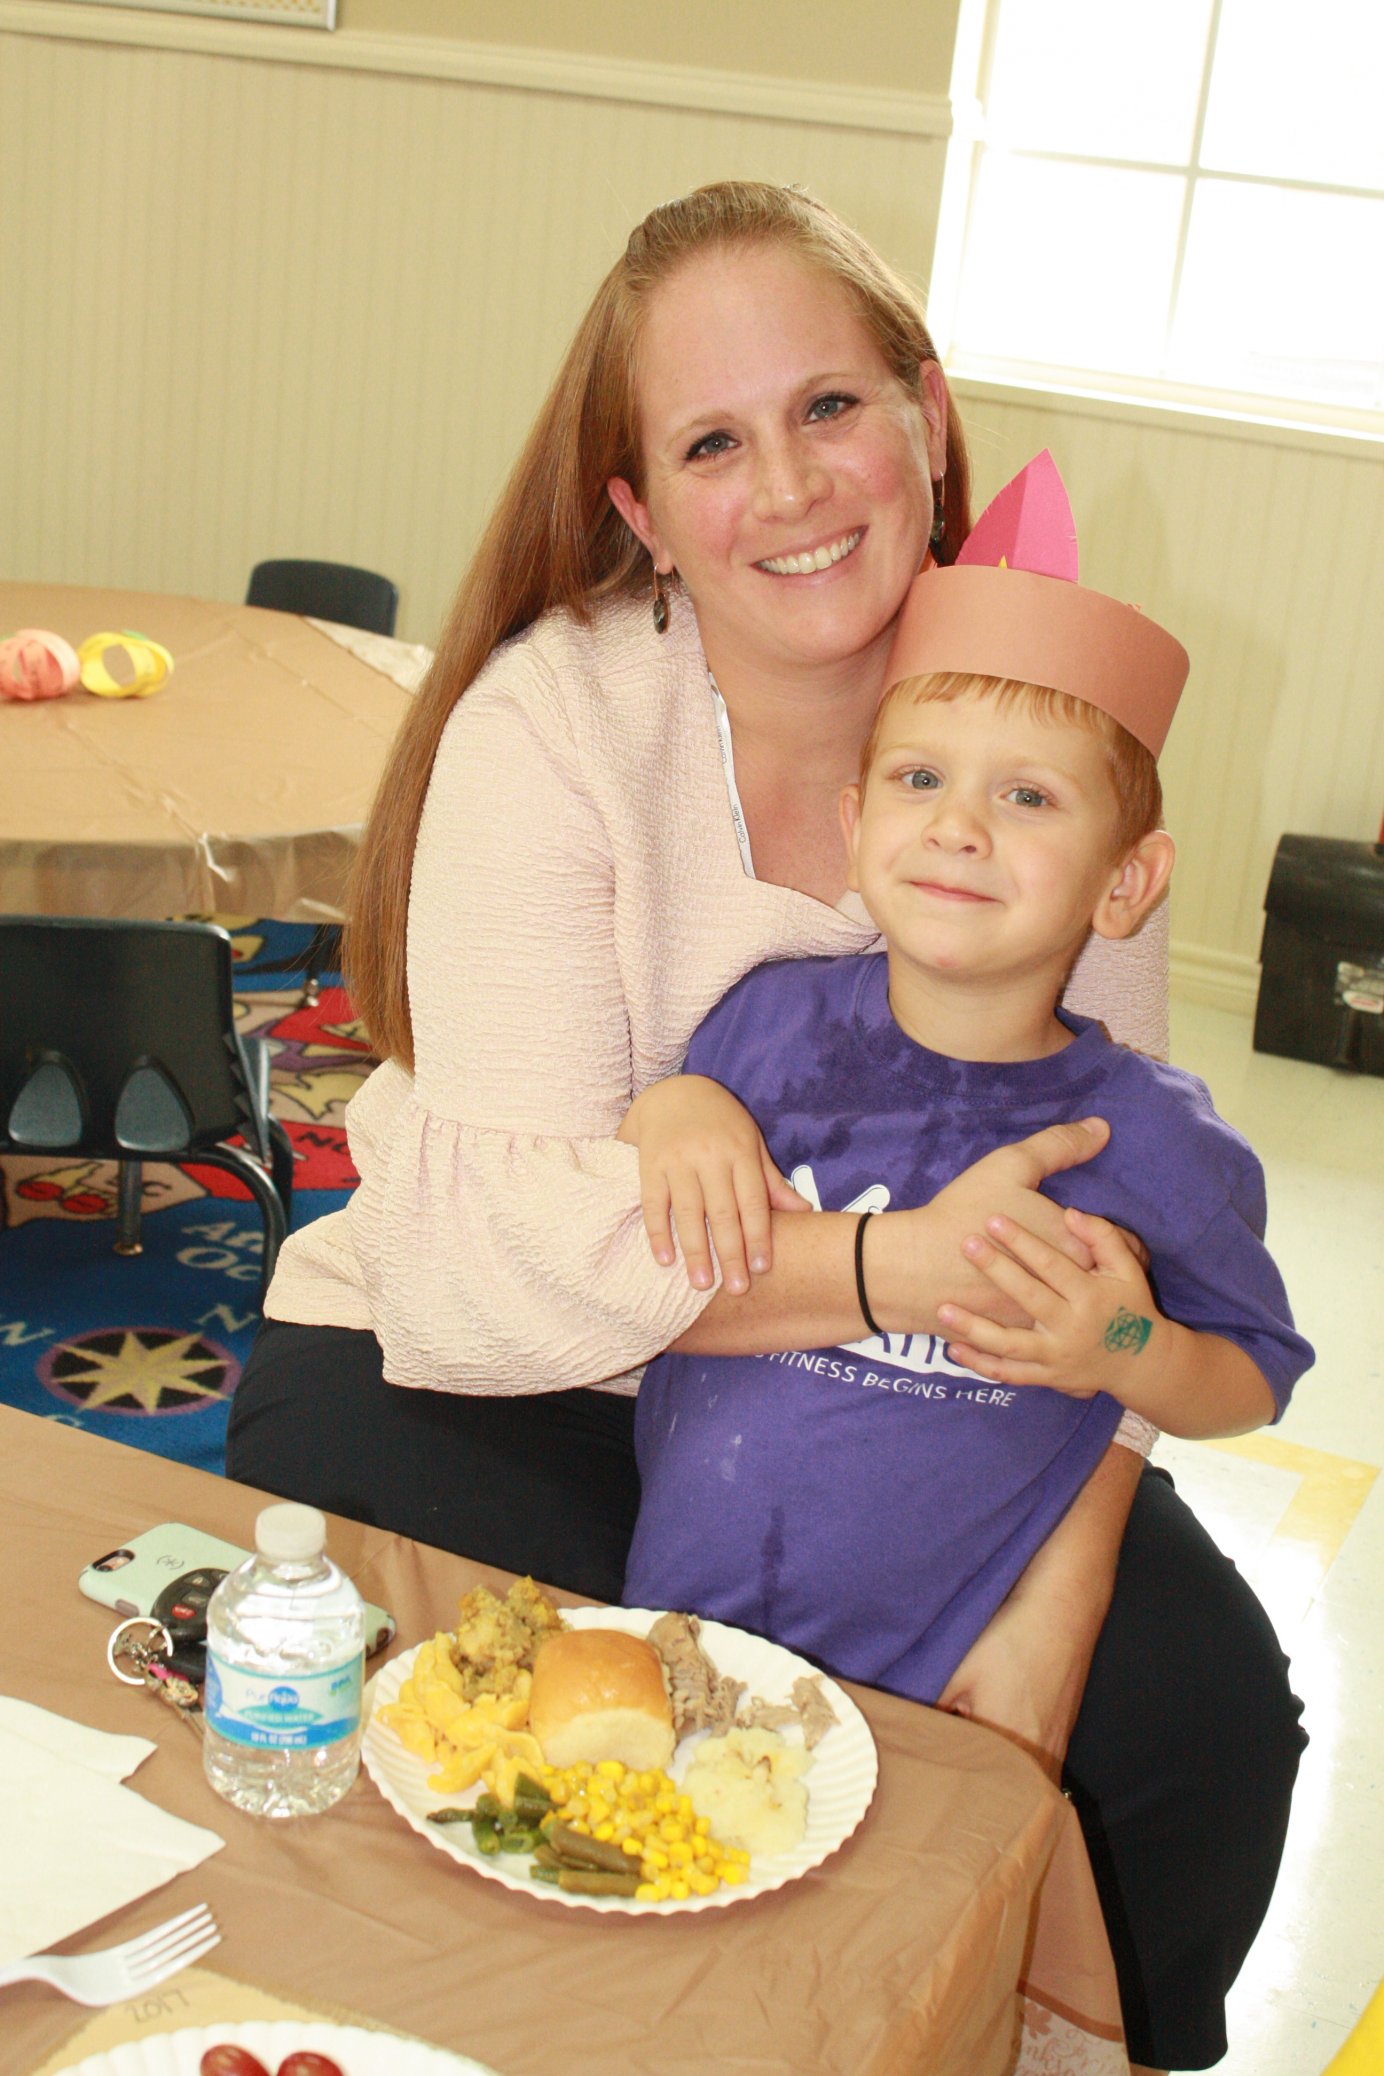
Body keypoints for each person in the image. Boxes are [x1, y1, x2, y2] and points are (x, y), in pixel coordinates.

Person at [227, 182, 1305, 2071]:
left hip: (898, 1387)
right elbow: (503, 1267)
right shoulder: (555, 724)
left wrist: (1055, 1602)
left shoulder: (1038, 711)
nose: (791, 487)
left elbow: (1107, 1218)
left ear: (925, 415)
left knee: (1194, 1719)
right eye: (713, 443)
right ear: (639, 507)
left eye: (828, 408)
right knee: (557, 1710)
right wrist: (893, 1260)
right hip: (493, 1369)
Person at [622, 459, 1312, 2072]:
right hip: (680, 1628)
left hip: (934, 1700)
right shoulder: (764, 1029)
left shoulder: (1149, 1143)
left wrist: (1119, 1344)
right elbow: (658, 1206)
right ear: (855, 821)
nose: (958, 826)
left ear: (1126, 883)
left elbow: (1247, 1384)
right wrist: (671, 1109)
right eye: (921, 777)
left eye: (1029, 797)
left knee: (873, 2010)